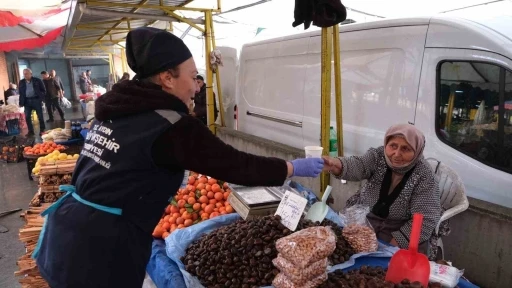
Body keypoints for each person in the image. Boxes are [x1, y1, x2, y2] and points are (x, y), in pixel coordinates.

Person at [34, 27, 326, 288]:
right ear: (167, 78)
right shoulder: (171, 124)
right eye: (192, 76)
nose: (198, 86)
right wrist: (291, 167)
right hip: (102, 253)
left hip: (67, 234)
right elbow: (238, 165)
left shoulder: (116, 110)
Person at [324, 124, 441, 257]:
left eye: (405, 149)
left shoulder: (425, 176)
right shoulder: (378, 156)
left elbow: (425, 219)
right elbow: (359, 165)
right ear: (386, 144)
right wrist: (335, 164)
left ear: (417, 151)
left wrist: (392, 247)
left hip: (400, 228)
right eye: (393, 146)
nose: (397, 154)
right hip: (367, 220)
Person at [19, 68, 46, 137]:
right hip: (27, 101)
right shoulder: (21, 82)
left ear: (31, 74)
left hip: (36, 100)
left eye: (26, 74)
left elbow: (43, 90)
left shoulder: (37, 81)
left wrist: (41, 98)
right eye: (24, 74)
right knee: (27, 117)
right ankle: (31, 131)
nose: (25, 75)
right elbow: (21, 93)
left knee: (40, 116)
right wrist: (21, 102)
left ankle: (42, 130)